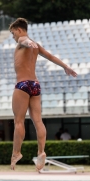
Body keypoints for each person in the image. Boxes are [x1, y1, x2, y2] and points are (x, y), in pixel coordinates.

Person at [9, 18, 77, 170]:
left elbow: (23, 40)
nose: (13, 37)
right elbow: (51, 57)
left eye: (13, 33)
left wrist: (26, 42)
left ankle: (16, 153)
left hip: (23, 84)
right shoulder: (37, 45)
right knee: (38, 121)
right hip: (35, 85)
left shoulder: (22, 39)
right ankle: (41, 151)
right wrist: (66, 67)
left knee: (19, 122)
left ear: (19, 29)